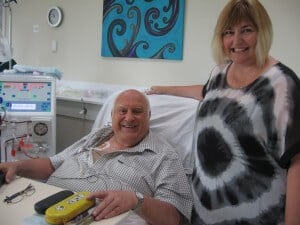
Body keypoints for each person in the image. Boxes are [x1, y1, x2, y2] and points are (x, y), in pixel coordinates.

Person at [146, 0, 300, 225]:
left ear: (262, 31)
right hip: (203, 213)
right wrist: (165, 89)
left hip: (258, 216)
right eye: (229, 32)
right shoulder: (220, 71)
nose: (236, 41)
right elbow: (207, 93)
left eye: (246, 30)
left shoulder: (282, 84)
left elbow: (297, 161)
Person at [0, 89, 193, 225]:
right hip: (42, 210)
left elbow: (173, 218)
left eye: (138, 112)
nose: (129, 117)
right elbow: (52, 164)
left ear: (149, 116)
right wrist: (16, 166)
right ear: (112, 114)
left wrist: (137, 200)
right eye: (122, 111)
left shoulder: (164, 156)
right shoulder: (97, 136)